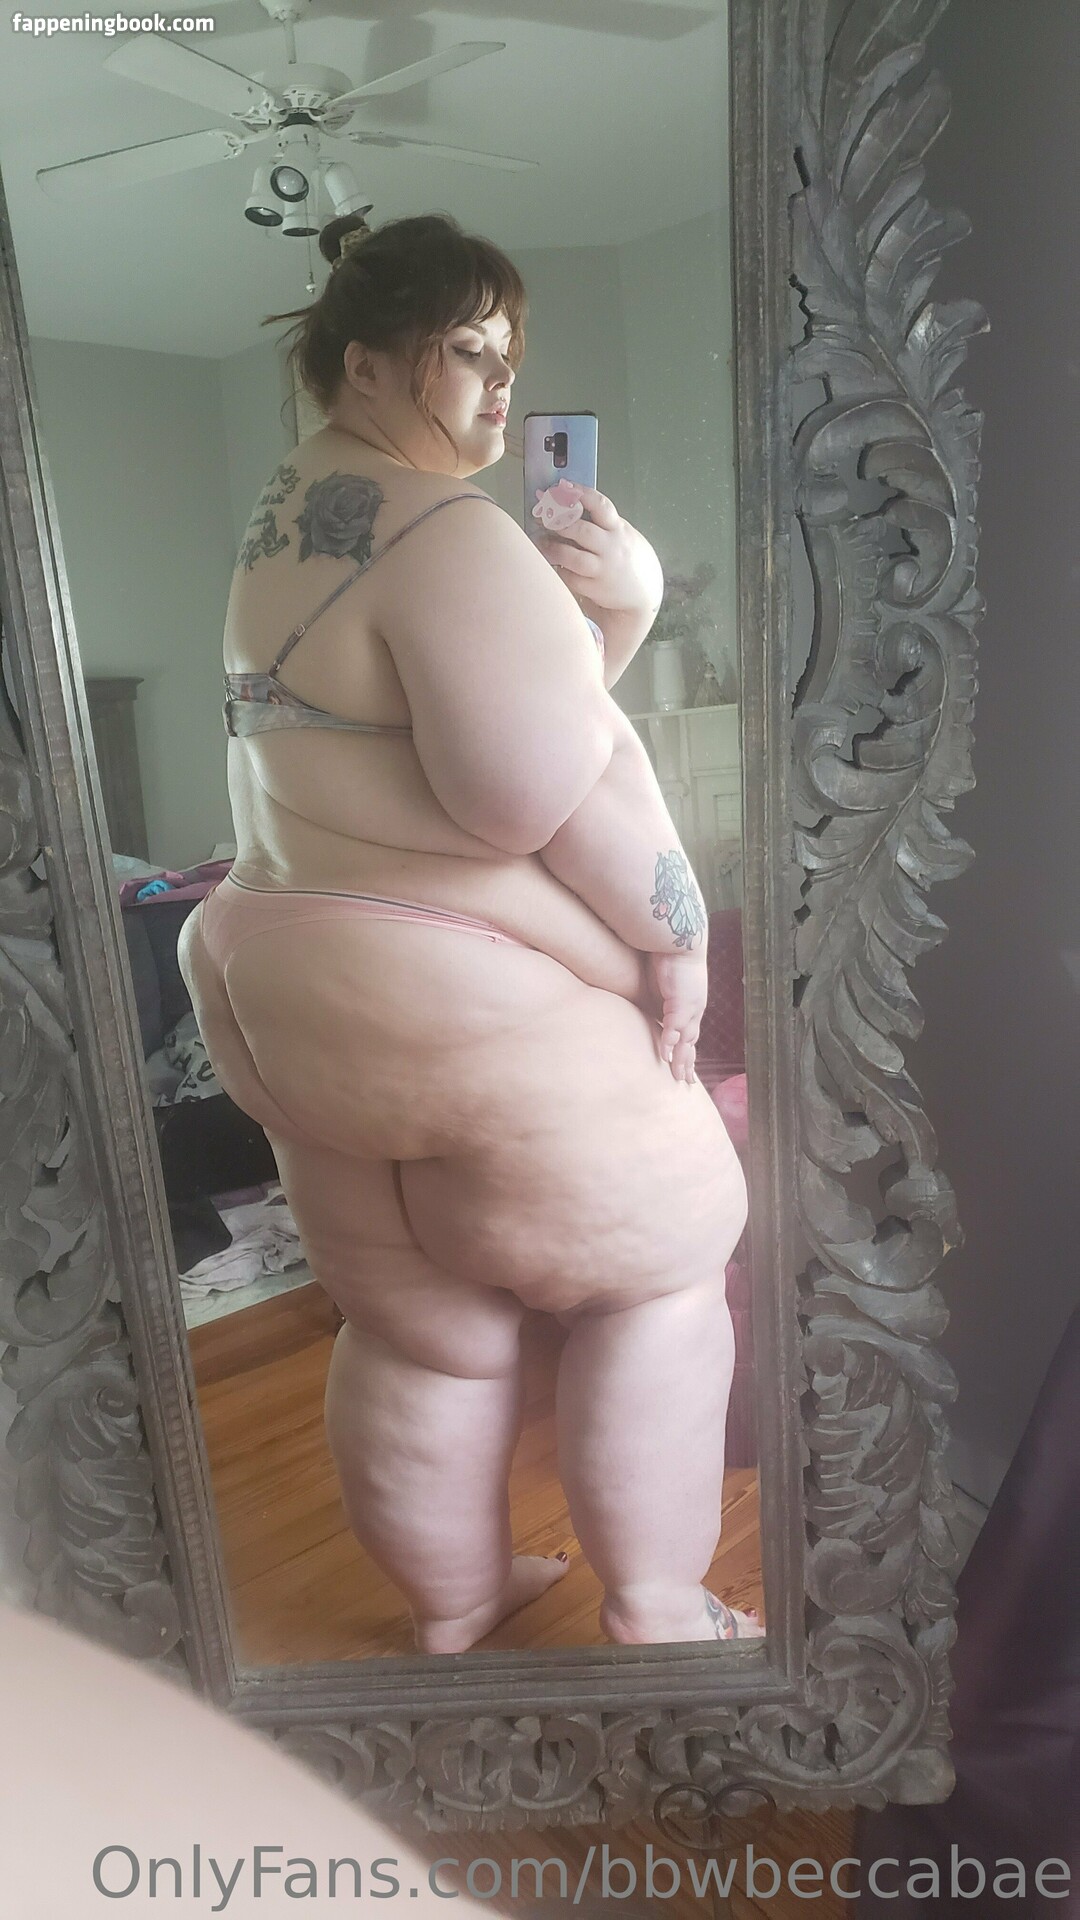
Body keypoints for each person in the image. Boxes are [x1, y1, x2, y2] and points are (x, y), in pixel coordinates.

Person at [179, 211, 759, 1653]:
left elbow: (402, 761)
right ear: (368, 364)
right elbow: (525, 794)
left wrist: (586, 639)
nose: (503, 388)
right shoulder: (449, 532)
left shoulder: (282, 520)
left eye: (510, 358)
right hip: (449, 992)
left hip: (287, 993)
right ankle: (656, 1608)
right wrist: (677, 937)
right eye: (468, 353)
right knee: (661, 1278)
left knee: (419, 1332)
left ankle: (452, 1608)